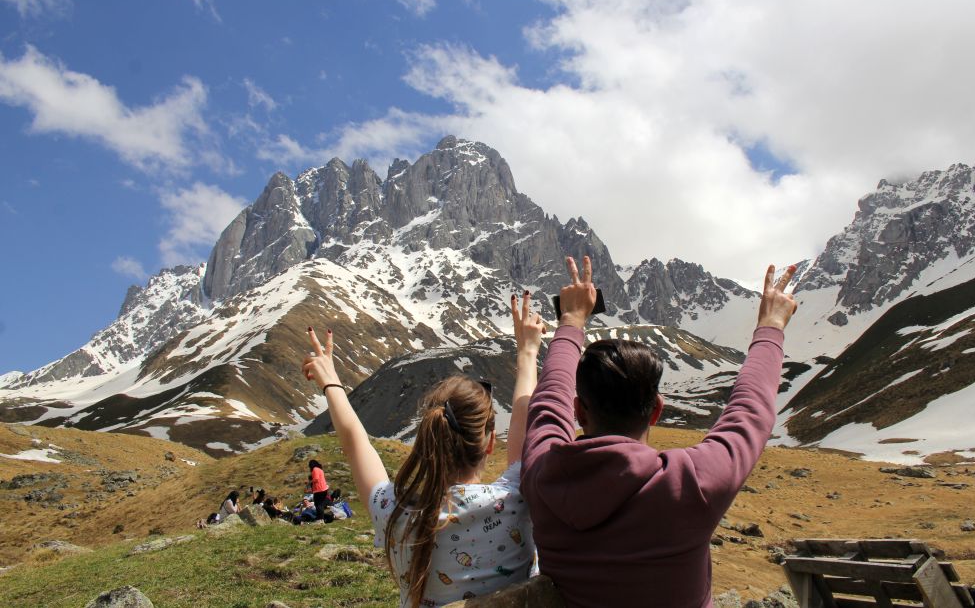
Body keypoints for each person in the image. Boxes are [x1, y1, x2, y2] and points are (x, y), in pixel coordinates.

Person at [521, 256, 798, 608]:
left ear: (578, 412)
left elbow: (548, 402)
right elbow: (750, 410)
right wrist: (771, 325)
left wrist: (571, 320)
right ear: (655, 411)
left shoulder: (542, 477)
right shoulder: (689, 483)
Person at [301, 293, 545, 607]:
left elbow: (354, 443)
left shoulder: (394, 511)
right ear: (489, 443)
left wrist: (330, 382)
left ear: (428, 437)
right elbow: (526, 439)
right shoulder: (517, 497)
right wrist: (527, 351)